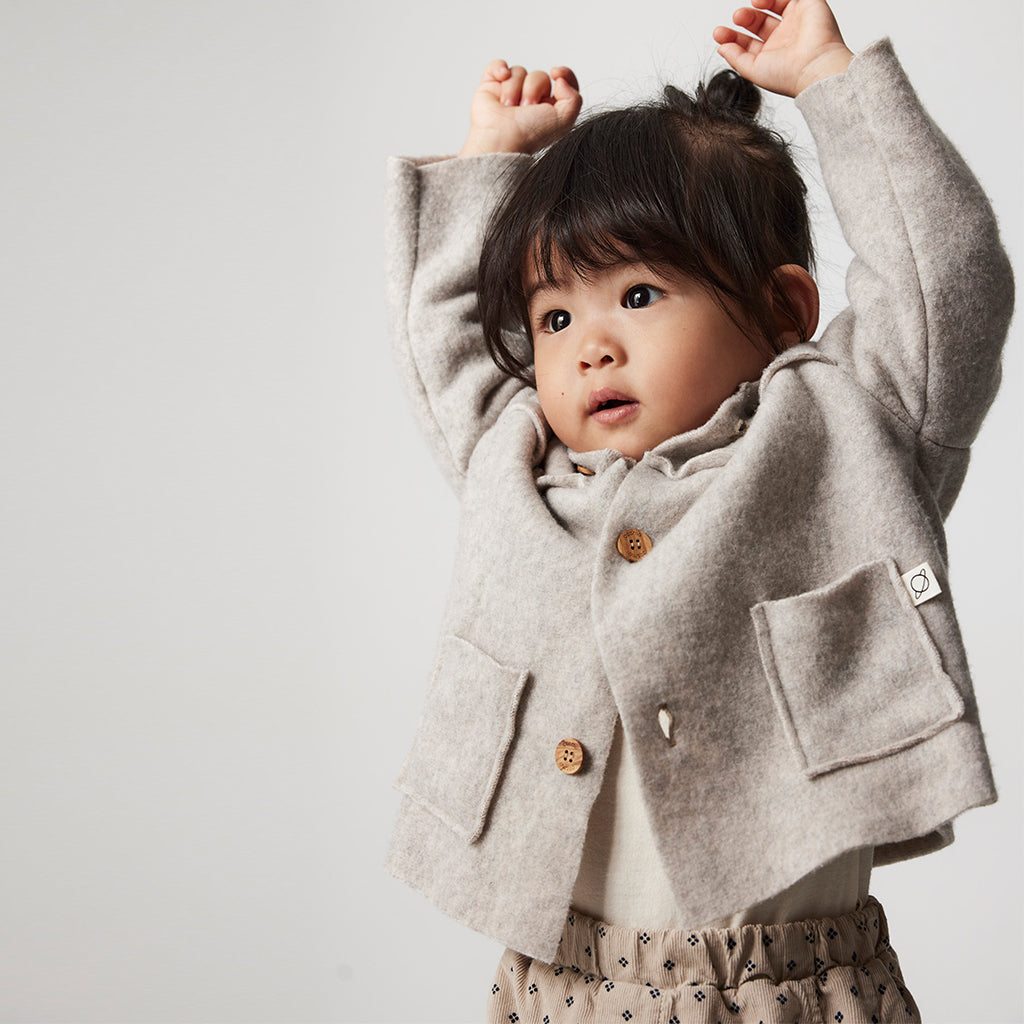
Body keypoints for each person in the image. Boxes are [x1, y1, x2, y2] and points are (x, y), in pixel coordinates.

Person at [383, 0, 1014, 1020]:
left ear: (783, 311)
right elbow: (441, 341)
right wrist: (486, 164)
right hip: (564, 992)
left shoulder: (845, 437)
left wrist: (831, 83)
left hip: (790, 993)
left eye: (638, 295)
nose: (590, 346)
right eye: (554, 314)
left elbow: (949, 283)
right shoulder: (521, 465)